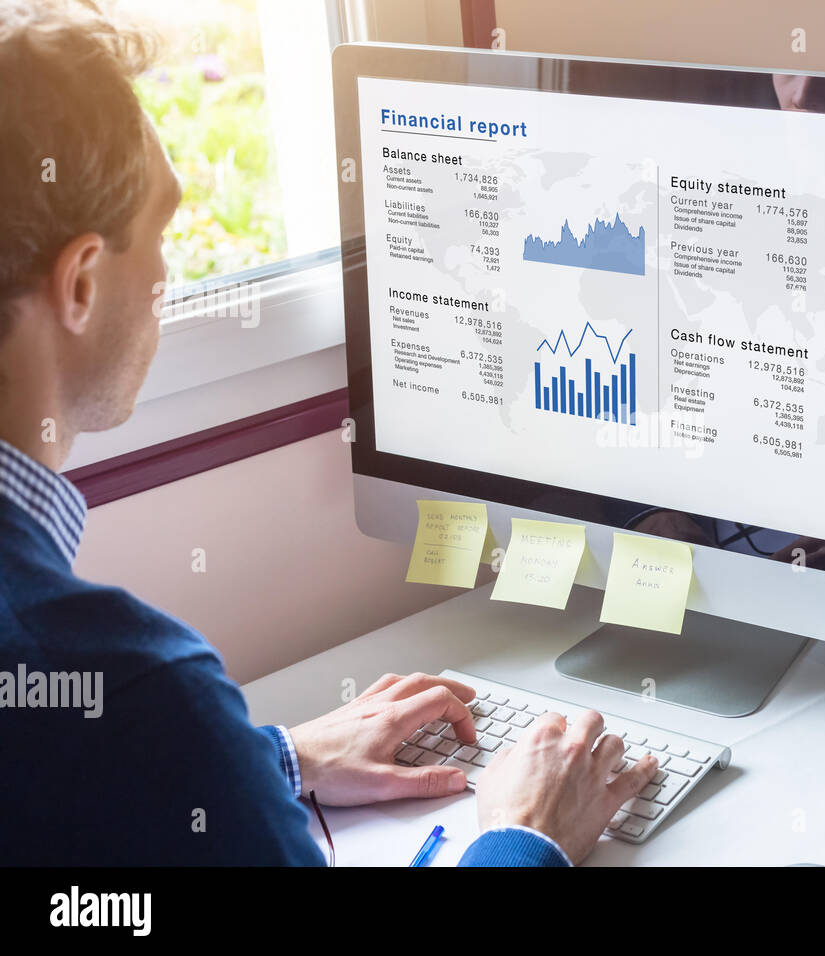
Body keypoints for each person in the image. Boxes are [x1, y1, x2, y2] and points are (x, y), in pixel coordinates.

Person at [0, 0, 657, 867]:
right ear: (79, 281)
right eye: (161, 232)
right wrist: (521, 835)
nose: (169, 271)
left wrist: (263, 762)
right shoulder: (135, 693)